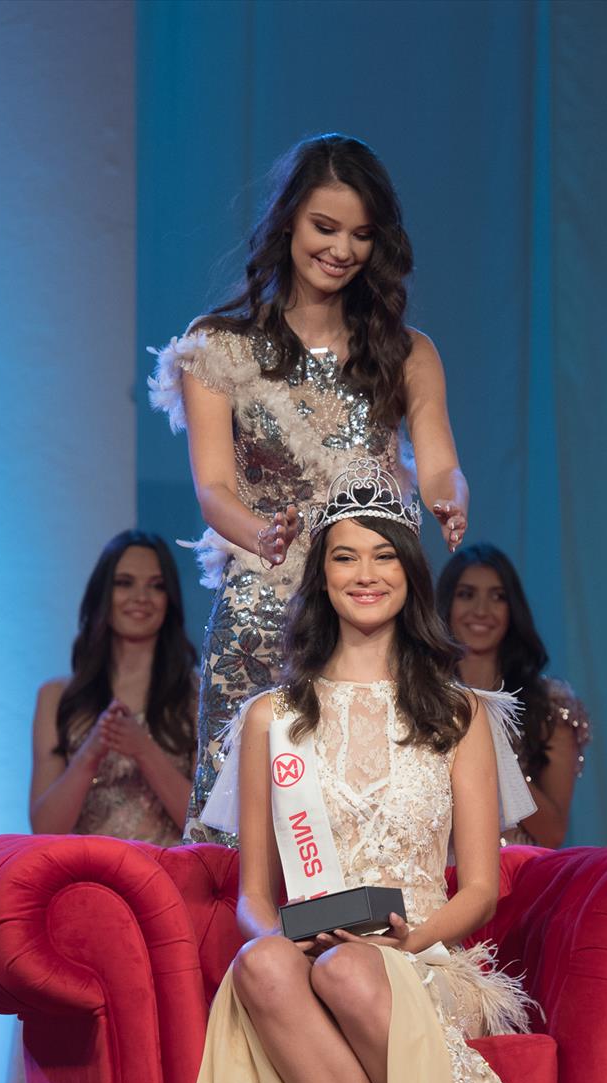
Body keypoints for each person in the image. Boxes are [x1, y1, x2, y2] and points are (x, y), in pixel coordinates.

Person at [145, 465, 579, 1083]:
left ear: (410, 576)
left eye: (384, 556)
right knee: (262, 967)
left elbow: (481, 888)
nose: (366, 573)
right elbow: (253, 896)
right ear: (323, 577)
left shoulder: (458, 714)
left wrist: (409, 940)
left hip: (422, 956)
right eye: (345, 557)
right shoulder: (274, 718)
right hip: (314, 950)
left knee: (348, 971)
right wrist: (286, 935)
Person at [151, 132, 470, 842]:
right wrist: (261, 534)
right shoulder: (219, 348)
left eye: (362, 235)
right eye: (325, 227)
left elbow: (438, 460)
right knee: (244, 835)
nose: (341, 249)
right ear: (288, 220)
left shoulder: (406, 352)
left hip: (366, 607)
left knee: (366, 823)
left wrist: (449, 497)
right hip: (265, 611)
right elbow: (213, 488)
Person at [0, 530, 199, 1083]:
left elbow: (204, 821)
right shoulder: (60, 698)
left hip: (164, 913)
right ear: (102, 599)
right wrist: (91, 753)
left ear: (170, 600)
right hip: (77, 914)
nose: (140, 598)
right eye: (125, 583)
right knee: (77, 1082)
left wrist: (145, 751)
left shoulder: (195, 695)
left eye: (154, 584)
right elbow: (43, 824)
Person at [437, 544, 590, 846]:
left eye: (498, 597)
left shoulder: (550, 705)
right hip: (436, 869)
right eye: (466, 594)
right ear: (446, 604)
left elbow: (553, 833)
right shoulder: (422, 699)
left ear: (513, 609)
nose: (481, 610)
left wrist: (494, 755)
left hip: (518, 871)